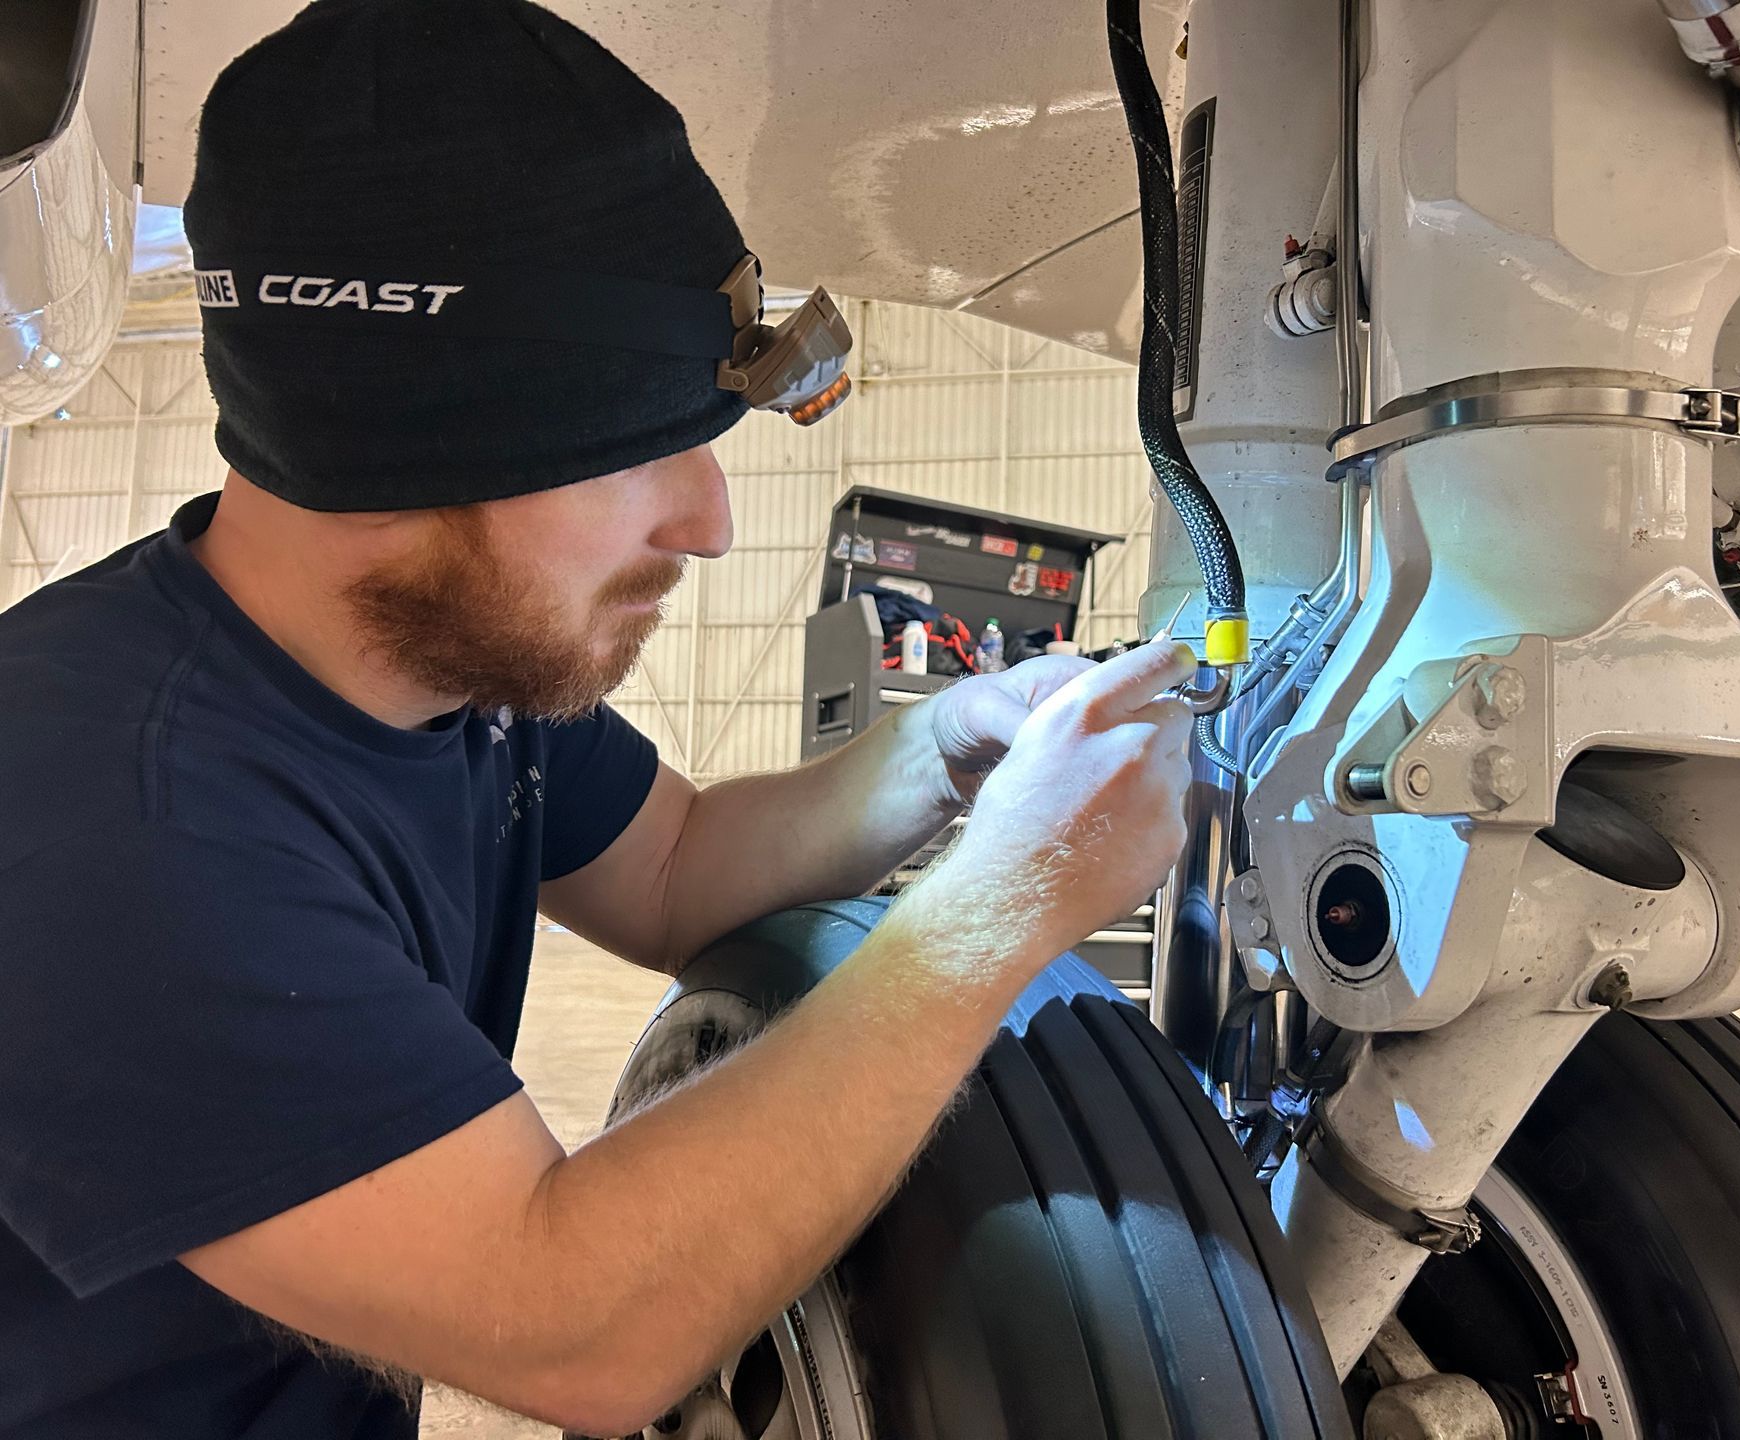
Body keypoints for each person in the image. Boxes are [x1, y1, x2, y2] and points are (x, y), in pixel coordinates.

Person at [0, 1, 1194, 1436]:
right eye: (637, 451)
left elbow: (676, 864)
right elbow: (573, 1324)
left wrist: (945, 752)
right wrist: (1011, 900)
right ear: (408, 445)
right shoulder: (110, 823)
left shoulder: (449, 668)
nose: (707, 518)